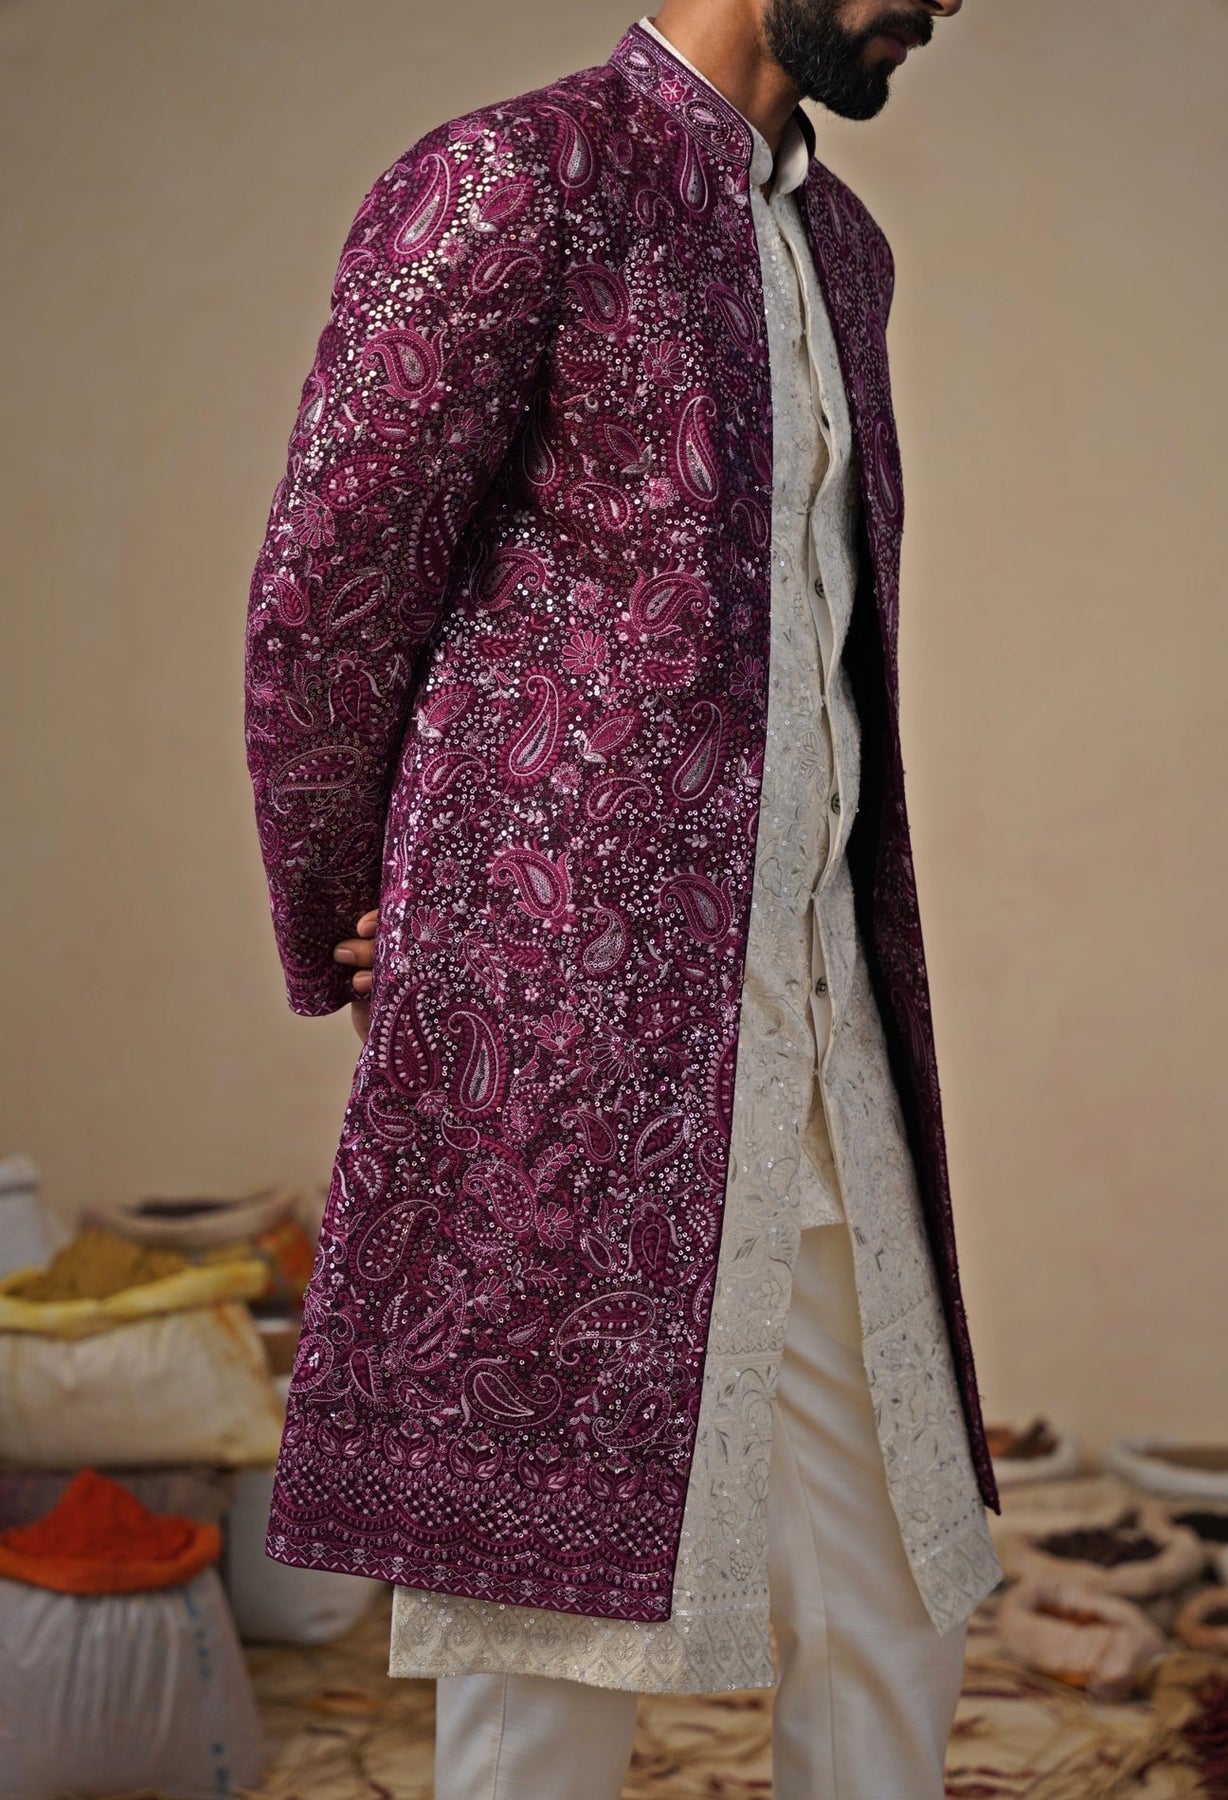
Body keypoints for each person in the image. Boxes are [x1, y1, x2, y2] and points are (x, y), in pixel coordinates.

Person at [243, 2, 1005, 1793]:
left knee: (901, 1572)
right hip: (569, 1026)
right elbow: (328, 596)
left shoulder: (843, 247)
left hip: (819, 1010)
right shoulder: (518, 178)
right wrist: (354, 907)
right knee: (541, 1633)